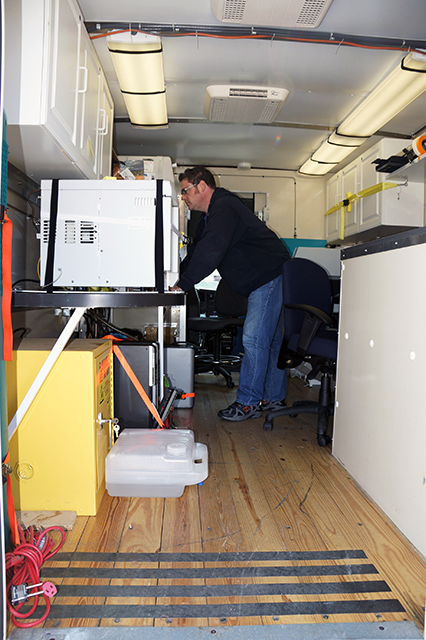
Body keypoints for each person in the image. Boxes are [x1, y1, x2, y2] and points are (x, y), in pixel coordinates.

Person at [171, 166, 290, 422]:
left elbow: (211, 251)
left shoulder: (224, 206)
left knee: (255, 339)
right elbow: (197, 254)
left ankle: (248, 403)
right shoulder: (210, 217)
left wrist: (184, 285)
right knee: (269, 340)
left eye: (185, 191)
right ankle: (272, 396)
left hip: (268, 274)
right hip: (266, 276)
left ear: (201, 186)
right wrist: (175, 279)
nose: (183, 198)